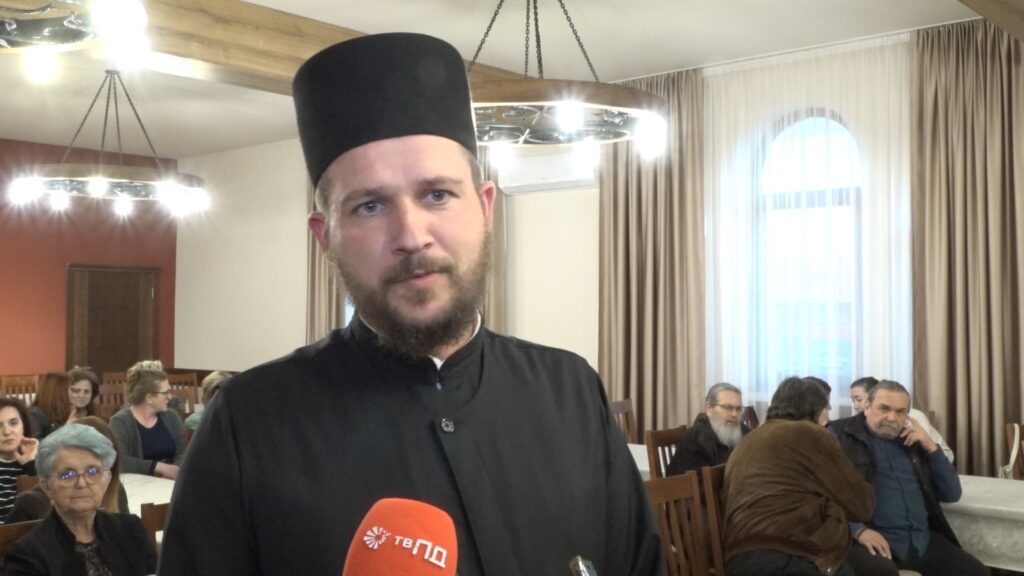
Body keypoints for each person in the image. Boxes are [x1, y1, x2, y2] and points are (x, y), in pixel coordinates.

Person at [159, 33, 664, 576]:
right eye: (370, 206)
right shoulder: (248, 424)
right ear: (325, 237)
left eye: (437, 195)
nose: (411, 235)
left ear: (485, 208)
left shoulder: (570, 390)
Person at [829, 380, 987, 576]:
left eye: (900, 412)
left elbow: (952, 493)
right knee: (881, 572)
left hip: (921, 539)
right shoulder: (839, 435)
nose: (891, 417)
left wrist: (931, 446)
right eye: (884, 408)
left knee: (976, 572)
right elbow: (818, 496)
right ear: (867, 407)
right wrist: (857, 530)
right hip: (872, 538)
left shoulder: (914, 441)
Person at [723, 377, 873, 576]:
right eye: (825, 409)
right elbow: (861, 505)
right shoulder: (810, 434)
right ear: (816, 411)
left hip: (739, 559)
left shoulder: (749, 439)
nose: (828, 415)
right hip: (789, 557)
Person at [3, 424, 156, 575]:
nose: (82, 483)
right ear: (47, 487)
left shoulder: (130, 529)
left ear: (107, 479)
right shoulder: (26, 555)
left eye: (92, 471)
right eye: (67, 475)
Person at [7, 416, 128, 523]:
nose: (82, 482)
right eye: (69, 473)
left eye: (92, 471)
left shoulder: (116, 489)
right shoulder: (30, 502)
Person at [108, 360, 184, 480]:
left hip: (170, 482)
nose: (169, 397)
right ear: (149, 398)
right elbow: (120, 460)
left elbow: (184, 452)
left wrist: (175, 470)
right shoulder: (120, 421)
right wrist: (157, 467)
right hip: (136, 484)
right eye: (165, 393)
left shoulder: (172, 417)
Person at [849, 376, 953, 462]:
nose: (855, 406)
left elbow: (923, 450)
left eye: (859, 399)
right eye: (853, 401)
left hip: (940, 457)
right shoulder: (861, 424)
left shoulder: (914, 416)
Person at [666, 382, 749, 475]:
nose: (734, 414)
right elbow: (698, 481)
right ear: (709, 409)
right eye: (727, 407)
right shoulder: (695, 439)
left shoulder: (744, 432)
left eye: (738, 409)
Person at [0, 398, 38, 524]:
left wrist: (30, 464)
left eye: (13, 423)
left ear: (24, 425)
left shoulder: (40, 459)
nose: (7, 432)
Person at [28, 372, 73, 440]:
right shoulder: (36, 414)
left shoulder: (65, 411)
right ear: (59, 391)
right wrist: (64, 432)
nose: (74, 394)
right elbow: (34, 442)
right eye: (71, 389)